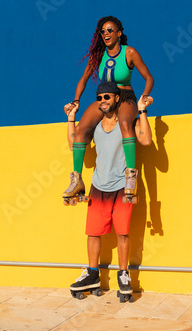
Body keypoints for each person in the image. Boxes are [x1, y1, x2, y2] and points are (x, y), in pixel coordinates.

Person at [66, 81, 153, 296]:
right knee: (93, 233)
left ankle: (123, 274)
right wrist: (71, 117)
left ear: (116, 98)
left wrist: (141, 110)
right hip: (98, 186)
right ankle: (93, 274)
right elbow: (73, 143)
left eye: (107, 97)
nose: (103, 101)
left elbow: (146, 140)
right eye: (99, 98)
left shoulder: (126, 124)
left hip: (123, 186)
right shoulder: (94, 126)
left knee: (123, 233)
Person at [63, 16, 154, 202]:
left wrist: (144, 96)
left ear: (119, 33)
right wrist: (76, 101)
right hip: (106, 99)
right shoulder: (99, 55)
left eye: (110, 30)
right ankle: (77, 179)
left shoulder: (129, 53)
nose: (106, 34)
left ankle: (130, 175)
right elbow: (83, 79)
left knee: (125, 124)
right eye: (103, 31)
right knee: (80, 130)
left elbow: (149, 78)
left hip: (125, 97)